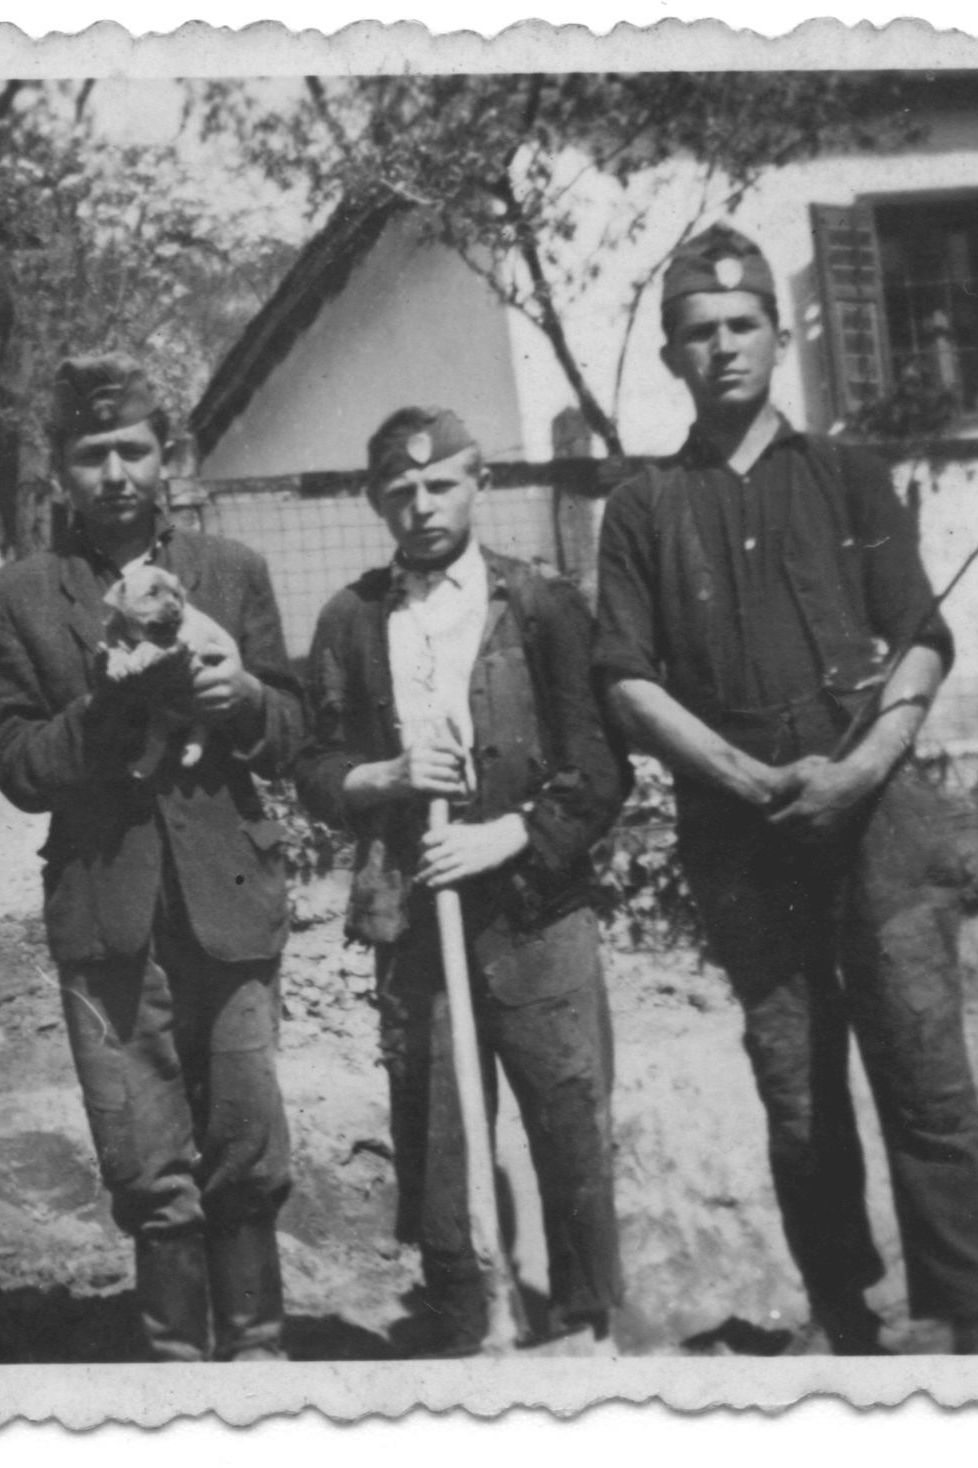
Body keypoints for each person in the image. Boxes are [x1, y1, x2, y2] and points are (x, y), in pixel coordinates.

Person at [593, 224, 978, 1355]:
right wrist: (741, 776)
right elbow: (625, 679)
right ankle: (845, 1317)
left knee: (924, 1069)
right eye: (699, 332)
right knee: (795, 1084)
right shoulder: (643, 508)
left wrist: (862, 766)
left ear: (777, 337)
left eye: (744, 325)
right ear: (672, 356)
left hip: (876, 821)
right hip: (742, 836)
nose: (723, 346)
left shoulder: (846, 475)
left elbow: (920, 638)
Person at [0, 355, 305, 1362]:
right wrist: (107, 703)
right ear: (58, 471)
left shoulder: (231, 571)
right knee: (144, 1155)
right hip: (106, 910)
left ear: (169, 456)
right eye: (91, 454)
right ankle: (174, 1372)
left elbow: (293, 733)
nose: (115, 473)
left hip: (228, 899)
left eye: (133, 449)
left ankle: (258, 1356)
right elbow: (20, 767)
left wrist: (243, 699)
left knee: (245, 1137)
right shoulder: (17, 597)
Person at [292, 407, 627, 1357]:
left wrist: (510, 837)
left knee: (568, 1105)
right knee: (435, 1116)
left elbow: (600, 768)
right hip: (415, 911)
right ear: (375, 502)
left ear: (479, 483)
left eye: (440, 484)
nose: (422, 506)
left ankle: (585, 1324)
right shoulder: (351, 620)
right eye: (400, 491)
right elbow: (314, 766)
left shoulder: (542, 605)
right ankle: (459, 1316)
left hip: (536, 910)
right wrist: (387, 777)